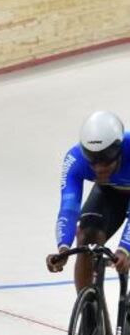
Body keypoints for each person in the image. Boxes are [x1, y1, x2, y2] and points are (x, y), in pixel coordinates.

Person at [46, 112, 130, 290]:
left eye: (105, 161)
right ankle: (89, 311)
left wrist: (124, 249)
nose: (99, 169)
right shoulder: (75, 159)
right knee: (86, 235)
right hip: (110, 193)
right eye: (93, 162)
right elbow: (68, 208)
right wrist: (64, 249)